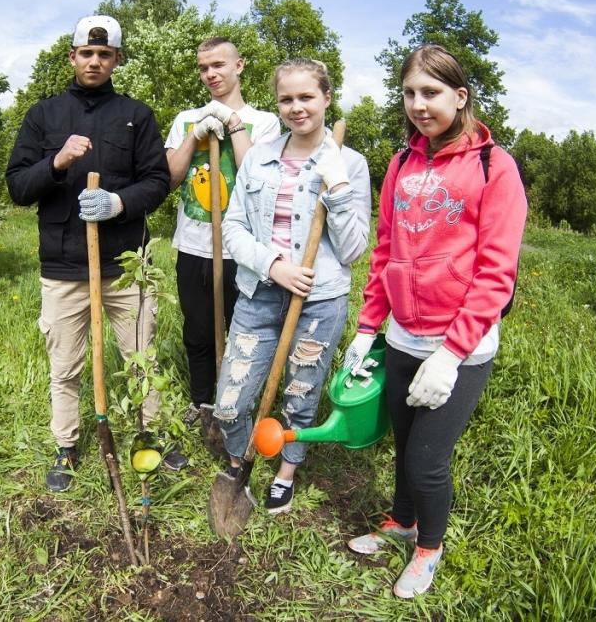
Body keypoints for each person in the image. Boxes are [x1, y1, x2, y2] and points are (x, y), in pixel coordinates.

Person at [343, 44, 527, 598]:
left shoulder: (496, 167)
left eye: (432, 92)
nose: (419, 105)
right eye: (409, 93)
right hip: (402, 337)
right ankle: (402, 523)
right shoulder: (400, 163)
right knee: (402, 445)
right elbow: (384, 253)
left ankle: (430, 547)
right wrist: (367, 328)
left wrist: (451, 353)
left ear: (460, 96)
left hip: (459, 348)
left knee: (427, 460)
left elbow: (497, 272)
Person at [5, 15, 185, 492]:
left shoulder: (136, 115)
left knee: (141, 357)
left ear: (116, 60)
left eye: (104, 54)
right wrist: (56, 163)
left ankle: (152, 435)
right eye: (87, 53)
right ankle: (66, 446)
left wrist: (118, 203)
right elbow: (18, 187)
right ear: (72, 57)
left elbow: (158, 181)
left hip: (127, 267)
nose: (95, 61)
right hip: (65, 268)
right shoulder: (44, 115)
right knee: (64, 366)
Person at [211, 58, 371, 514]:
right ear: (277, 103)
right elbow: (235, 225)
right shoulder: (260, 154)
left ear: (326, 98)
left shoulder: (350, 163)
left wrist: (337, 186)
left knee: (301, 392)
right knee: (229, 401)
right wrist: (274, 264)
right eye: (287, 99)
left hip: (319, 300)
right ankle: (239, 463)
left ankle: (286, 471)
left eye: (306, 97)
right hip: (260, 291)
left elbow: (354, 249)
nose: (297, 107)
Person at [163, 37, 281, 435]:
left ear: (238, 66)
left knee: (242, 332)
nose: (210, 74)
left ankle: (237, 407)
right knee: (197, 330)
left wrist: (232, 124)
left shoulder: (264, 122)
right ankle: (203, 402)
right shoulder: (184, 118)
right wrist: (195, 135)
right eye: (203, 68)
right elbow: (171, 176)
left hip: (241, 249)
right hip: (194, 246)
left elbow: (256, 178)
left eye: (218, 65)